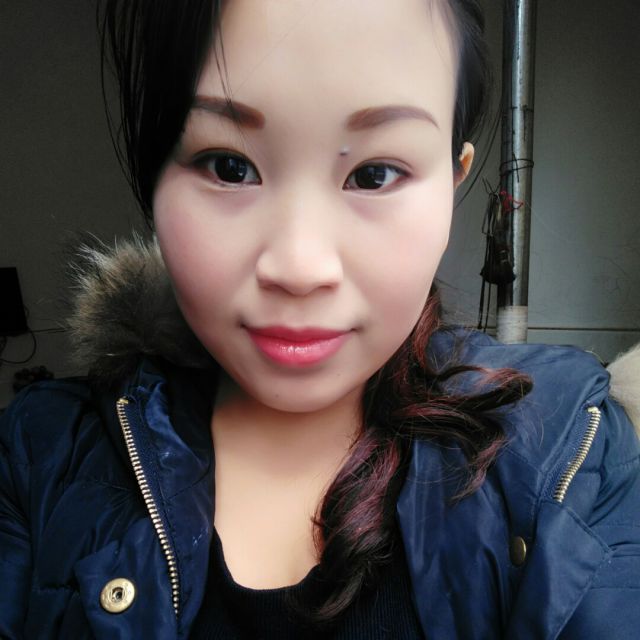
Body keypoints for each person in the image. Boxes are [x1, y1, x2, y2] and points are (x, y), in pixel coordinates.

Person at [1, 0, 639, 637]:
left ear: (452, 184)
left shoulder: (570, 451)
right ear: (154, 179)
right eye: (229, 166)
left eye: (374, 174)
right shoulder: (37, 458)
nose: (299, 268)